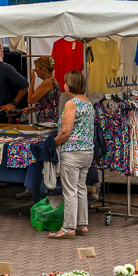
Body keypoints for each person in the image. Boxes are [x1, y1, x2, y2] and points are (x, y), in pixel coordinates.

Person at [47, 70, 95, 240]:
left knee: (70, 191)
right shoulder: (88, 102)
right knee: (81, 188)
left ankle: (68, 228)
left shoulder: (71, 104)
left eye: (65, 82)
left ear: (71, 84)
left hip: (72, 152)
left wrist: (51, 144)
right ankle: (82, 224)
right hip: (87, 151)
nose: (64, 85)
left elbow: (66, 131)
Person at [22, 55, 60, 125]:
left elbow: (30, 100)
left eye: (36, 67)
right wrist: (35, 108)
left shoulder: (48, 82)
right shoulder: (53, 80)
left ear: (42, 69)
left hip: (47, 122)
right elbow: (49, 104)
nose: (35, 70)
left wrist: (32, 80)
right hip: (50, 120)